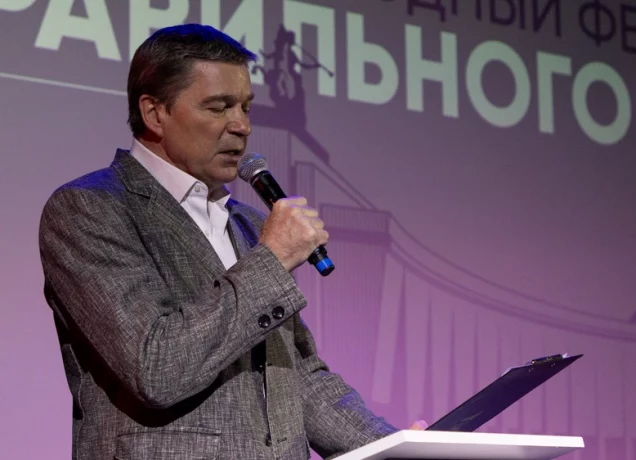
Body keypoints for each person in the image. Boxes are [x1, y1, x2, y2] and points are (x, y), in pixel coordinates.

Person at [39, 24, 422, 460]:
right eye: (218, 107)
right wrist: (272, 259)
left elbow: (296, 375)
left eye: (245, 107)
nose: (241, 126)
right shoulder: (90, 208)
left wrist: (396, 448)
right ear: (154, 113)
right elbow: (155, 365)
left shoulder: (250, 224)